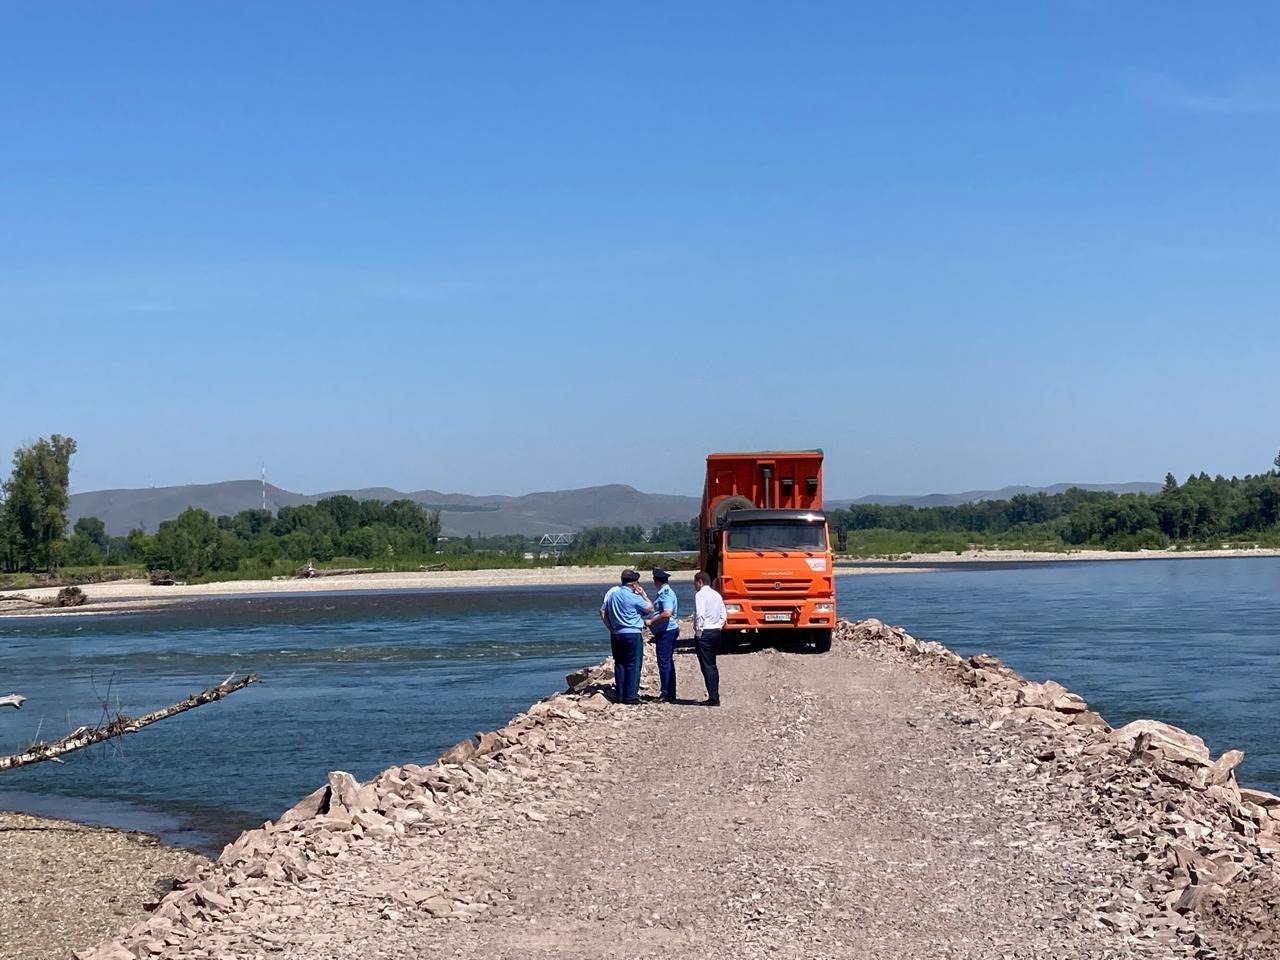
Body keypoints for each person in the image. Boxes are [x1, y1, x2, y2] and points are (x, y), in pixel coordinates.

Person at [599, 569, 653, 705]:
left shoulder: (613, 595)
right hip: (632, 633)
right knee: (633, 665)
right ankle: (631, 696)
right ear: (634, 584)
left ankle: (621, 694)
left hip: (616, 633)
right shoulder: (634, 597)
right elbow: (650, 608)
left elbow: (602, 611)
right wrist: (643, 595)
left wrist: (610, 628)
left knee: (620, 664)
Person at [644, 568, 680, 703]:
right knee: (667, 662)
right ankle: (670, 691)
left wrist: (651, 621)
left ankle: (666, 693)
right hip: (665, 631)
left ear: (656, 580)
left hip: (667, 631)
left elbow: (667, 613)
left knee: (664, 662)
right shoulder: (664, 593)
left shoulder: (665, 594)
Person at [693, 570, 726, 706]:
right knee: (712, 664)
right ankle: (715, 694)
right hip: (715, 631)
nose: (694, 586)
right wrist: (718, 626)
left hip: (705, 631)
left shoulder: (700, 595)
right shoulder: (717, 595)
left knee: (706, 665)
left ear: (700, 582)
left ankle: (713, 697)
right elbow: (724, 614)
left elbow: (700, 614)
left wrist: (698, 630)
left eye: (695, 583)